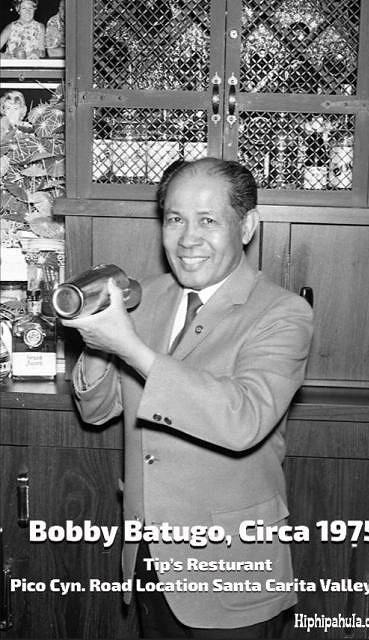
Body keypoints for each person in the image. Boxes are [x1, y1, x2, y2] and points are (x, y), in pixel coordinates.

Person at [63, 158, 314, 638]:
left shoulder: (283, 313)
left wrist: (129, 347)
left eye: (208, 220)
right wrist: (95, 341)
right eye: (175, 219)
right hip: (150, 556)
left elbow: (243, 420)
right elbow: (97, 412)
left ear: (247, 226)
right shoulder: (146, 297)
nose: (187, 239)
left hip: (232, 568)